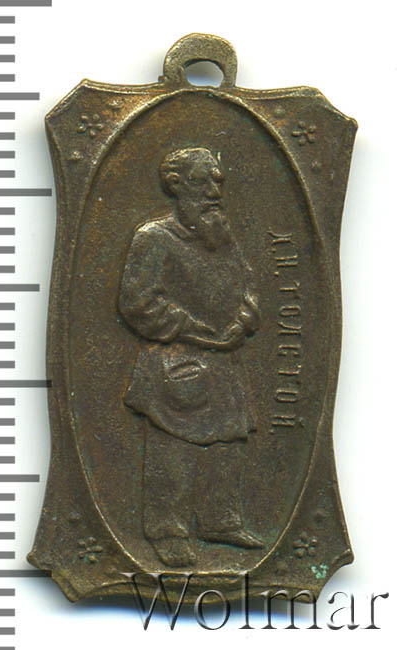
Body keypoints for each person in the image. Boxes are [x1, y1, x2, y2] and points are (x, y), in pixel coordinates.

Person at [118, 147, 263, 567]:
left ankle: (220, 521)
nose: (214, 191)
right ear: (177, 186)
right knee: (173, 445)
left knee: (227, 441)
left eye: (218, 181)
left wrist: (243, 321)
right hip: (175, 361)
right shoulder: (153, 238)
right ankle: (168, 531)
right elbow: (138, 303)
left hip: (223, 361)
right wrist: (194, 329)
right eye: (203, 181)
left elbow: (250, 286)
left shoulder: (222, 237)